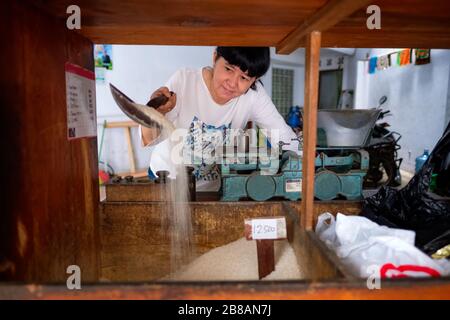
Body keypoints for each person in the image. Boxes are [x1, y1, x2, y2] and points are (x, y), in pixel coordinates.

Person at [140, 47, 300, 191]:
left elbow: (285, 138)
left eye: (244, 78)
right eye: (228, 69)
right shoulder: (185, 81)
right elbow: (149, 139)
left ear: (254, 80)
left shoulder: (254, 97)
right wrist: (158, 113)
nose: (232, 83)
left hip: (209, 187)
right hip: (166, 178)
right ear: (215, 57)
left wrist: (310, 163)